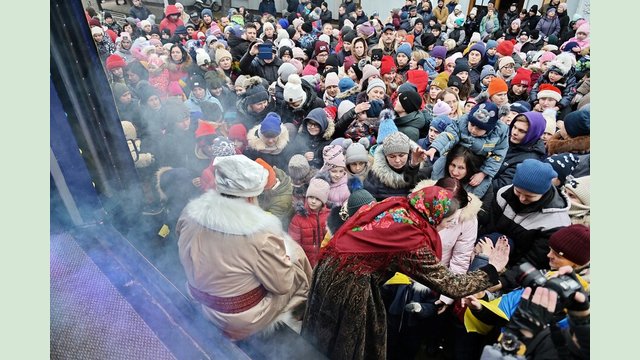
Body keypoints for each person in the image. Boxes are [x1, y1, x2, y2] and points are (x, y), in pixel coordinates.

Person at [301, 184, 511, 359]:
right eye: (447, 222)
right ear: (435, 215)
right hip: (349, 284)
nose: (446, 227)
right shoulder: (411, 238)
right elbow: (451, 285)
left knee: (322, 334)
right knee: (350, 343)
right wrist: (492, 270)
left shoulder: (397, 204)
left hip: (329, 267)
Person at [177, 154, 312, 340]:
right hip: (238, 318)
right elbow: (282, 285)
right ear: (250, 198)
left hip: (198, 297)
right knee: (297, 258)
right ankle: (303, 312)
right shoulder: (261, 234)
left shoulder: (189, 213)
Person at [481, 158, 572, 274]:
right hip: (488, 251)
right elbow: (488, 226)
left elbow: (534, 261)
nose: (522, 199)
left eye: (530, 196)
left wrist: (504, 280)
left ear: (543, 192)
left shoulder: (555, 222)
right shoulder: (503, 193)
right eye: (518, 192)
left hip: (516, 267)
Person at [425, 102, 509, 198]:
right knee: (438, 167)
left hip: (480, 163)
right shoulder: (462, 122)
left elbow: (498, 155)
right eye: (472, 125)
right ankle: (434, 192)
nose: (473, 130)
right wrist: (434, 147)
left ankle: (468, 202)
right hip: (456, 154)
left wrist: (483, 173)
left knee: (480, 185)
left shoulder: (498, 134)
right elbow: (449, 135)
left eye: (479, 128)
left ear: (489, 129)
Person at [492, 111, 547, 192]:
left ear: (533, 134)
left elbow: (501, 185)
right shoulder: (503, 139)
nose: (514, 133)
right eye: (514, 127)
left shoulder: (529, 161)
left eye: (522, 131)